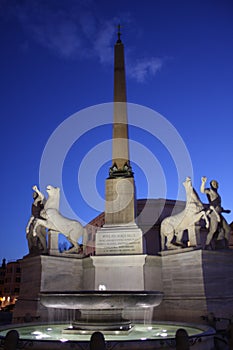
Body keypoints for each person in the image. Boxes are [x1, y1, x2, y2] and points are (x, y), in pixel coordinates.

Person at [200, 177, 231, 249]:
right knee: (213, 230)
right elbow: (202, 191)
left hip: (219, 213)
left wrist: (225, 211)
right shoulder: (210, 191)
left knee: (227, 229)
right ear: (211, 185)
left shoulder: (217, 194)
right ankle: (207, 245)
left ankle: (226, 246)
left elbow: (218, 206)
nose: (215, 185)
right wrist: (203, 182)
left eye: (216, 183)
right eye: (213, 183)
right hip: (213, 214)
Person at [26, 185, 47, 254]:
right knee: (29, 236)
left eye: (35, 193)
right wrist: (28, 226)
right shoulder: (33, 204)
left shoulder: (40, 201)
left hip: (41, 221)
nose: (33, 194)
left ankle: (44, 249)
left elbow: (43, 197)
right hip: (34, 221)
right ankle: (32, 250)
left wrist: (36, 190)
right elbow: (32, 216)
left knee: (38, 233)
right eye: (33, 194)